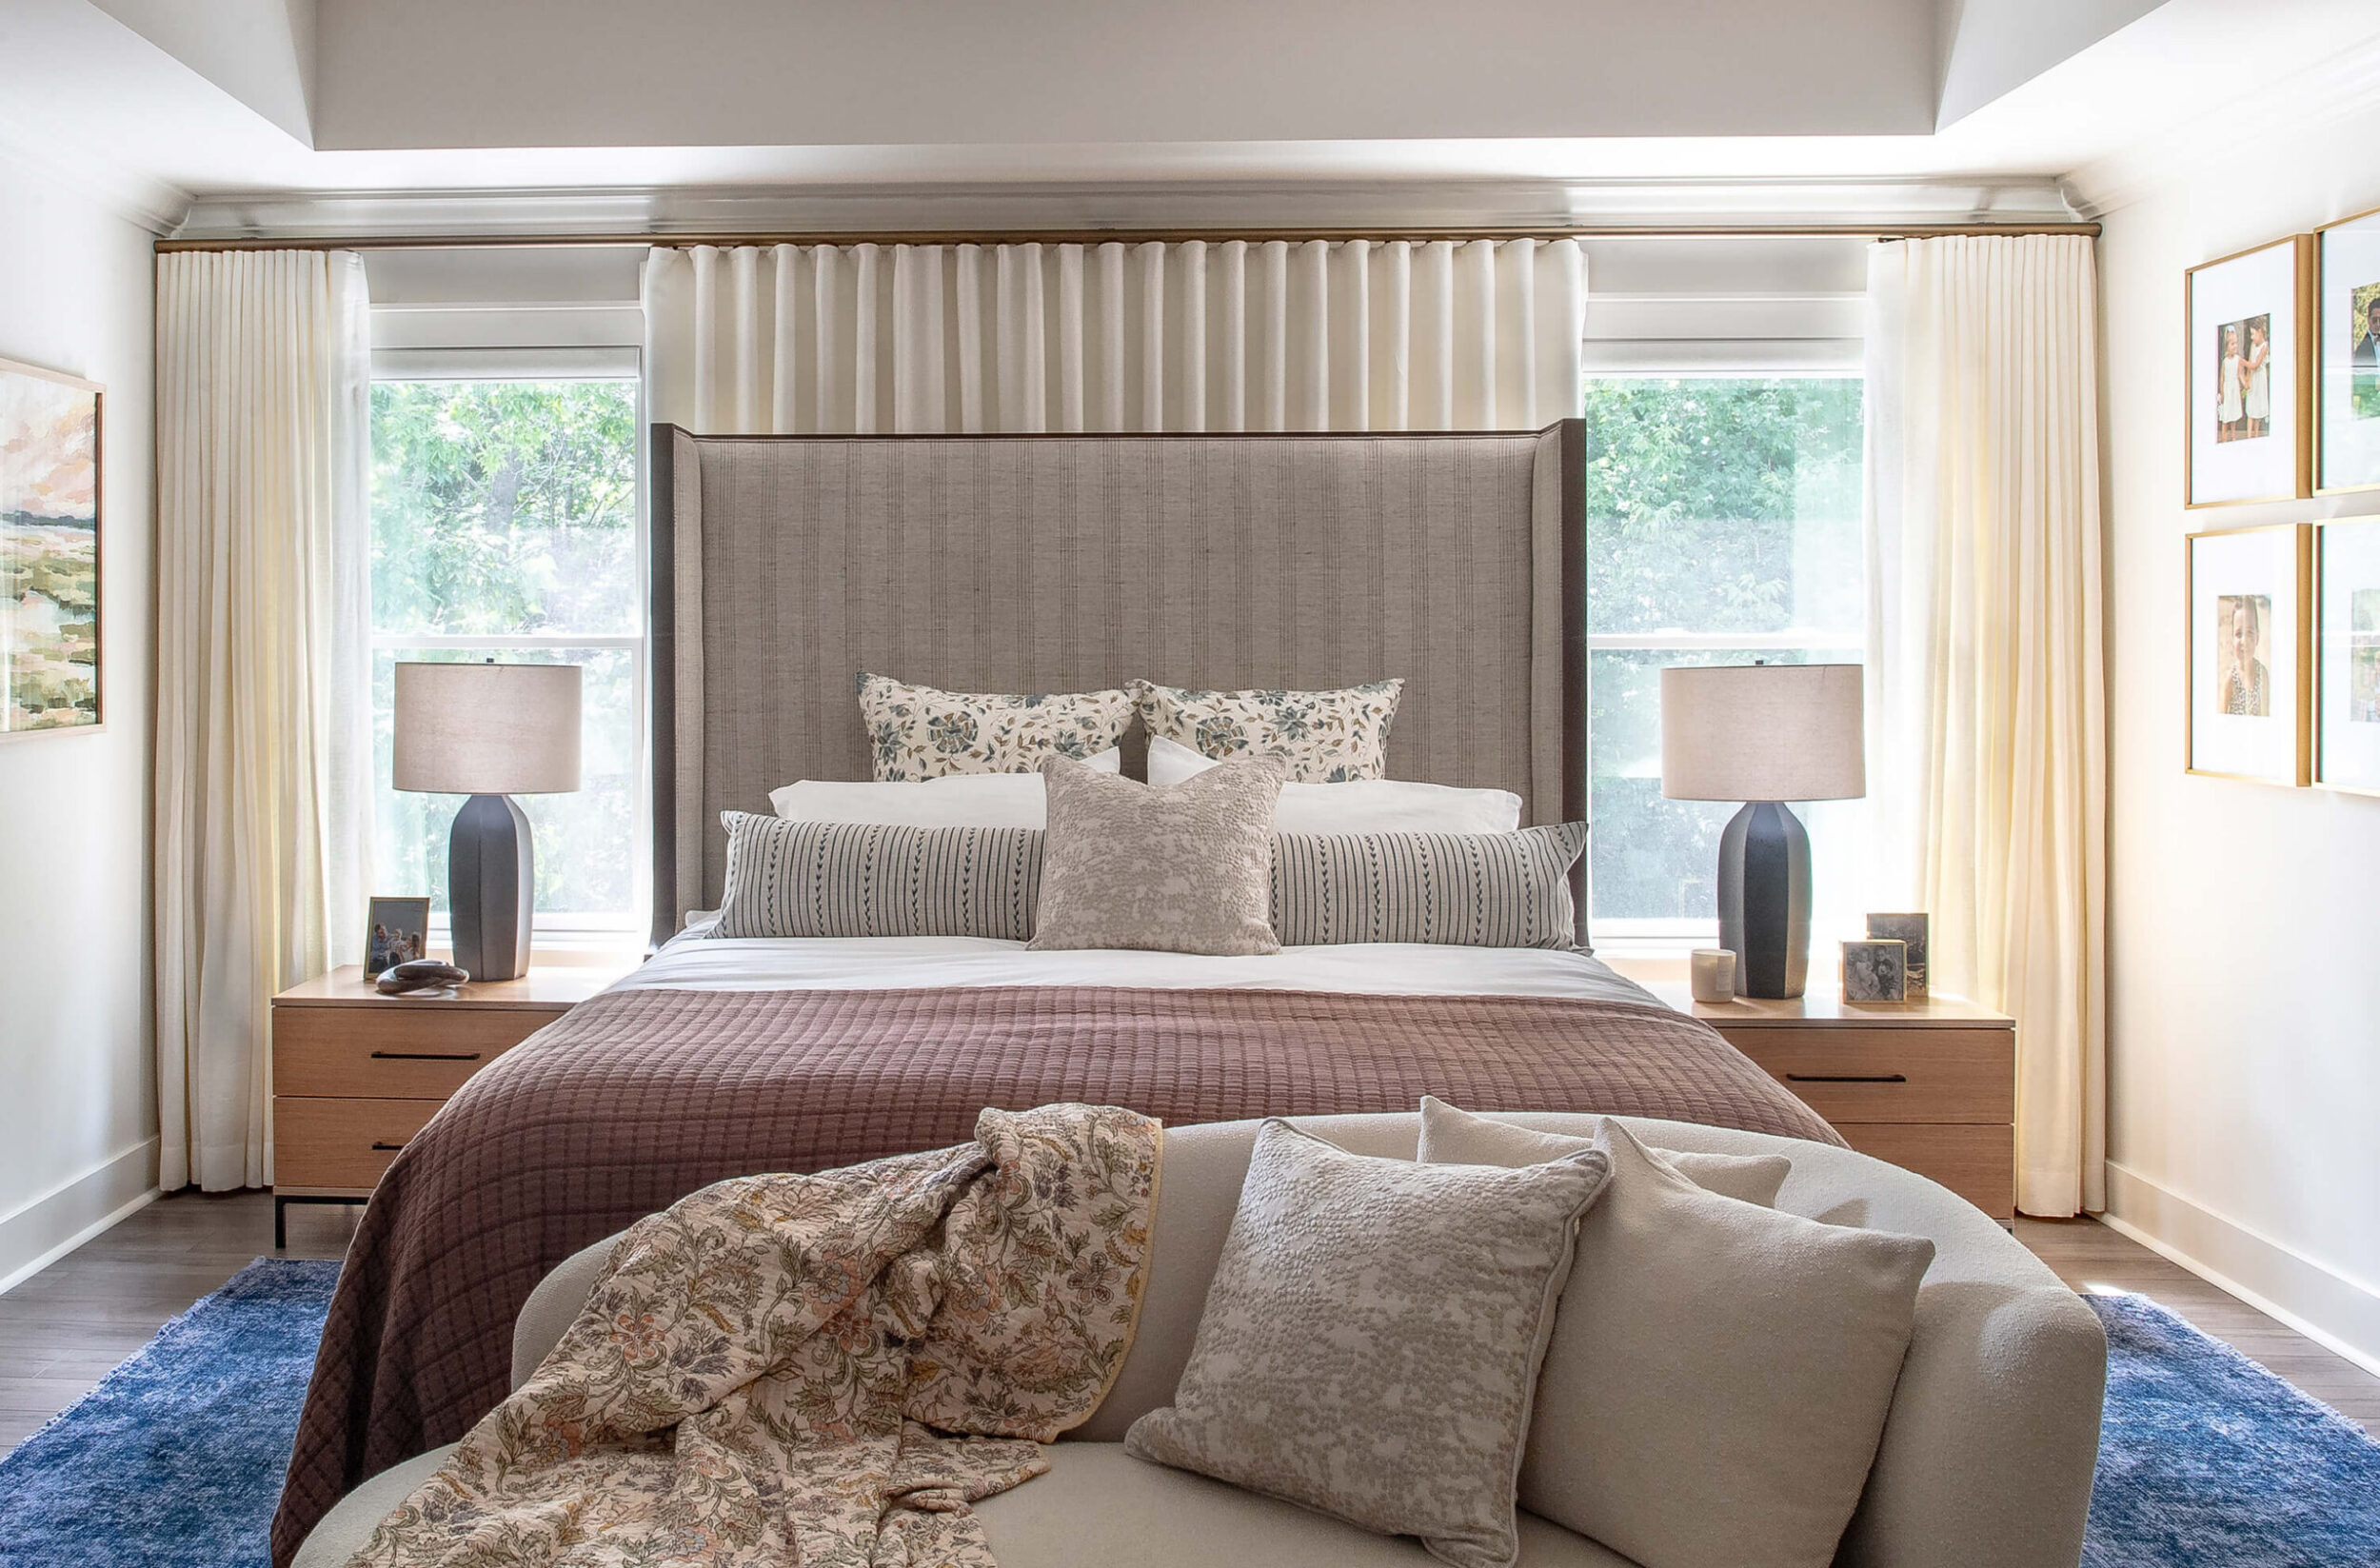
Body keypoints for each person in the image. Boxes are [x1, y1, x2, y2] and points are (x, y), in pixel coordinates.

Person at [2221, 596, 2269, 717]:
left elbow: (2266, 714)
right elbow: (2220, 718)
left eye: (2250, 633)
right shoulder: (2230, 679)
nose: (2244, 641)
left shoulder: (2263, 674)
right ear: (2232, 639)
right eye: (2238, 634)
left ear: (2257, 637)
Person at [2241, 319, 2272, 439]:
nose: (2252, 337)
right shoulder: (2253, 345)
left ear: (2260, 332)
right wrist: (2247, 379)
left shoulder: (2264, 347)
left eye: (2253, 334)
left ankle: (2256, 434)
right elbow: (2250, 362)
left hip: (2260, 378)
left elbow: (2255, 364)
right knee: (2251, 407)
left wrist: (2241, 362)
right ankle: (2249, 436)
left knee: (2258, 409)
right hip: (2253, 379)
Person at [2217, 323, 2245, 440]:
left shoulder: (2237, 359)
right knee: (2226, 415)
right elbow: (2222, 377)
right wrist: (2222, 392)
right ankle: (2224, 436)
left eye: (2236, 344)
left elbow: (2240, 374)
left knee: (2233, 414)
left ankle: (2233, 436)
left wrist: (2244, 383)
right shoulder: (2225, 361)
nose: (2235, 346)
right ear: (2227, 346)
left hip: (2234, 389)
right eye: (2232, 344)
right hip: (2227, 390)